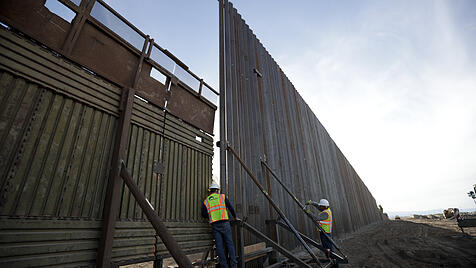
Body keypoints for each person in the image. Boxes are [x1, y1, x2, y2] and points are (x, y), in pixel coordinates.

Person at [202, 181, 238, 268]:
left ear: (210, 191)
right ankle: (233, 266)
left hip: (215, 225)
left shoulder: (206, 201)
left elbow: (203, 214)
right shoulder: (222, 197)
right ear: (218, 190)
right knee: (229, 244)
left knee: (219, 247)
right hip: (225, 223)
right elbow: (230, 207)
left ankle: (224, 266)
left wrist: (211, 214)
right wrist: (235, 217)